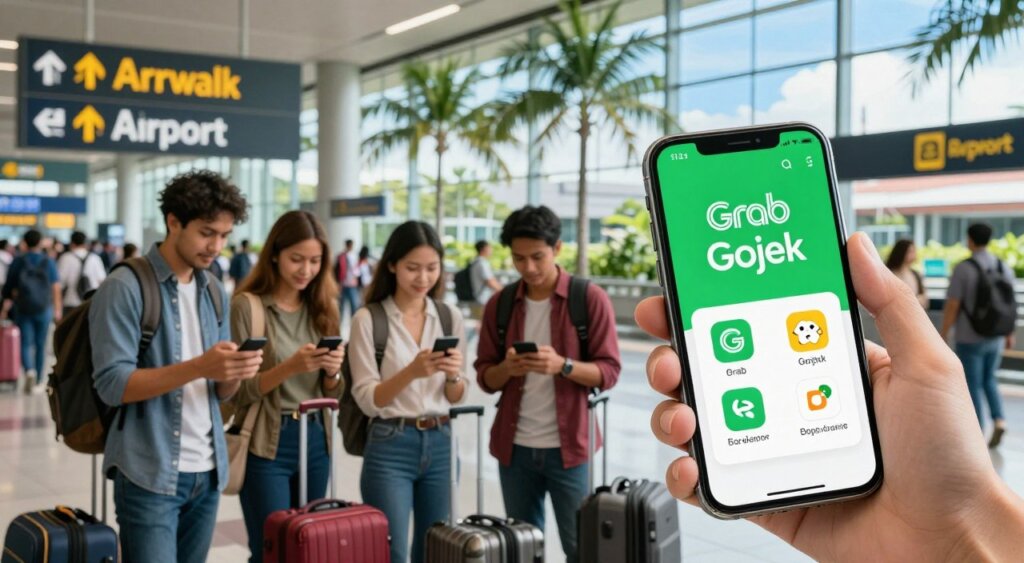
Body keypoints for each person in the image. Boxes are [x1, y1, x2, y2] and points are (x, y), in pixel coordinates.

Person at [638, 231, 1024, 560]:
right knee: (985, 381)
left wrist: (956, 532)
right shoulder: (999, 266)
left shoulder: (963, 272)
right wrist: (961, 533)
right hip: (991, 338)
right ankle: (997, 418)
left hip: (971, 343)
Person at [90, 170, 263, 563]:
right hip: (149, 472)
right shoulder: (125, 286)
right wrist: (201, 365)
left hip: (207, 469)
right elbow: (113, 384)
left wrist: (233, 372)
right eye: (206, 232)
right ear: (173, 222)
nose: (216, 246)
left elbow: (220, 392)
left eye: (223, 235)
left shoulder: (213, 290)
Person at [474, 206, 622, 563]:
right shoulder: (501, 304)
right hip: (515, 450)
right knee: (522, 549)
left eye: (537, 257)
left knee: (581, 547)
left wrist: (563, 365)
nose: (528, 268)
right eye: (519, 258)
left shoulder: (588, 299)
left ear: (557, 248)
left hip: (570, 448)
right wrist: (508, 368)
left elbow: (609, 371)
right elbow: (485, 377)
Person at [228, 210, 345, 563]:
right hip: (267, 439)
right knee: (271, 549)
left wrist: (332, 374)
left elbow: (335, 395)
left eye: (314, 261)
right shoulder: (248, 307)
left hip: (316, 439)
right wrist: (288, 368)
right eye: (296, 259)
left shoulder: (325, 307)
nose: (305, 270)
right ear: (275, 254)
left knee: (308, 547)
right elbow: (238, 391)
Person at [349, 221, 468, 563]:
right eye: (412, 268)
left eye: (432, 268)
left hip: (442, 440)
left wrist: (452, 376)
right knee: (391, 551)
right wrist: (411, 372)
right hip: (390, 443)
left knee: (438, 548)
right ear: (392, 265)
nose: (423, 278)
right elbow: (369, 400)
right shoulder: (369, 319)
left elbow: (458, 395)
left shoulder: (449, 317)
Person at [941, 223, 1016, 448]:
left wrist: (944, 332)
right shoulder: (1004, 267)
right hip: (996, 336)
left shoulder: (964, 268)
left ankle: (977, 432)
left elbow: (953, 304)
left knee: (972, 384)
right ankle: (999, 420)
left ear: (970, 240)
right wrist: (1009, 332)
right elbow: (1010, 303)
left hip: (969, 336)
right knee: (990, 379)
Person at [0, 229, 62, 394]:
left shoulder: (18, 261)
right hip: (44, 308)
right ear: (40, 243)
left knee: (25, 343)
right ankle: (39, 381)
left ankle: (29, 370)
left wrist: (7, 304)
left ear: (25, 243)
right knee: (41, 344)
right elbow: (55, 287)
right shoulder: (47, 262)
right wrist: (57, 309)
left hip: (23, 307)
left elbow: (8, 287)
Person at [57, 231, 108, 316]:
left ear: (72, 243)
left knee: (71, 328)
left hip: (70, 302)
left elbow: (59, 282)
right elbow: (102, 281)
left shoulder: (65, 258)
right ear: (86, 243)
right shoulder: (95, 259)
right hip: (91, 302)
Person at [885, 239, 927, 308]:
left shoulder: (916, 274)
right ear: (901, 252)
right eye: (910, 251)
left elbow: (924, 299)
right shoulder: (890, 274)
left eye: (914, 251)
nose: (914, 254)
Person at [470, 240, 502, 312]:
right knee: (483, 321)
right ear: (484, 249)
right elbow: (490, 281)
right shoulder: (482, 263)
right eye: (489, 247)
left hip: (476, 298)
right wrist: (504, 291)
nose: (491, 250)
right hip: (482, 300)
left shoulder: (475, 262)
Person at [336, 239, 360, 322]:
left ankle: (352, 325)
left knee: (350, 307)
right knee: (345, 307)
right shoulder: (343, 256)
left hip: (348, 284)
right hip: (346, 284)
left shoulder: (345, 256)